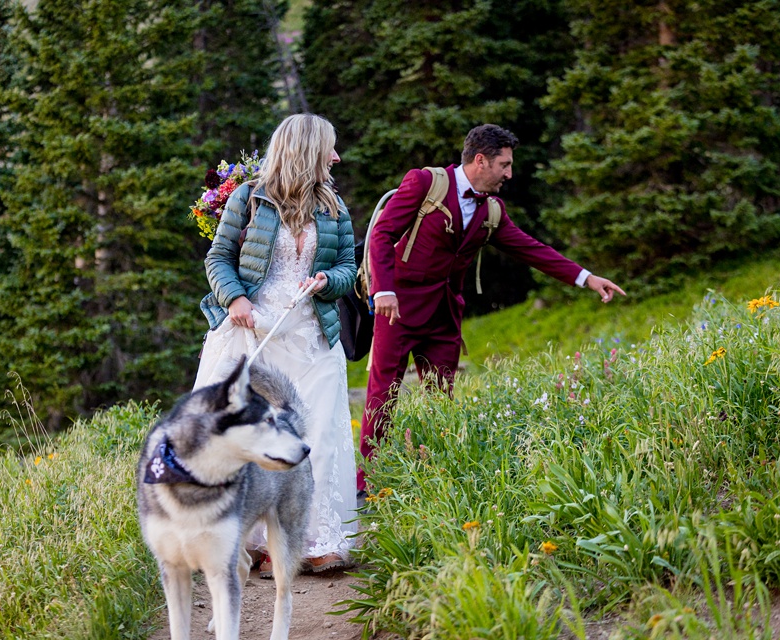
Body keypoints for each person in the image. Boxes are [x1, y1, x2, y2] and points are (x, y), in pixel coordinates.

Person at [357, 124, 626, 494]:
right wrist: (383, 289)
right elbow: (382, 233)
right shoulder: (424, 183)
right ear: (480, 161)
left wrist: (586, 278)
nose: (509, 174)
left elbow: (533, 249)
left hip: (444, 315)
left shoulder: (493, 211)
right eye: (504, 164)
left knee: (442, 398)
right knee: (382, 393)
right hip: (397, 309)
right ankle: (367, 483)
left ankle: (438, 473)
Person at [196, 113, 358, 575]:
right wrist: (236, 299)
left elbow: (349, 265)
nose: (336, 156)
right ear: (307, 150)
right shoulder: (248, 198)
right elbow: (219, 257)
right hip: (255, 332)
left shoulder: (333, 206)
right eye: (330, 147)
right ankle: (261, 544)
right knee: (257, 433)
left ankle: (314, 539)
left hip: (313, 333)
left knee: (320, 434)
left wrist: (329, 279)